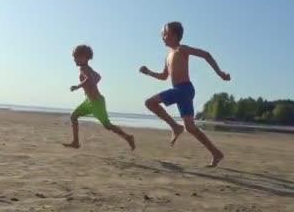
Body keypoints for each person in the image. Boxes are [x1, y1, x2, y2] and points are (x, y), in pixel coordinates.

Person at [140, 21, 231, 167]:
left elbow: (206, 54)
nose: (162, 37)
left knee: (149, 102)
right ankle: (216, 153)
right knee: (190, 127)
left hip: (183, 89)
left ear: (175, 36)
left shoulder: (182, 49)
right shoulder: (168, 56)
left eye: (165, 34)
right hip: (183, 90)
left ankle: (175, 127)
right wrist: (149, 72)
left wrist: (220, 73)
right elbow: (164, 76)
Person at [63, 44, 136, 150]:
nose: (74, 59)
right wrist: (90, 85)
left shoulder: (85, 69)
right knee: (73, 116)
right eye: (73, 57)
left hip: (97, 102)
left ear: (84, 57)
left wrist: (78, 86)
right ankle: (75, 142)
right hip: (89, 101)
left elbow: (89, 79)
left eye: (76, 57)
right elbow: (98, 77)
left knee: (107, 125)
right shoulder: (85, 68)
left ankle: (128, 137)